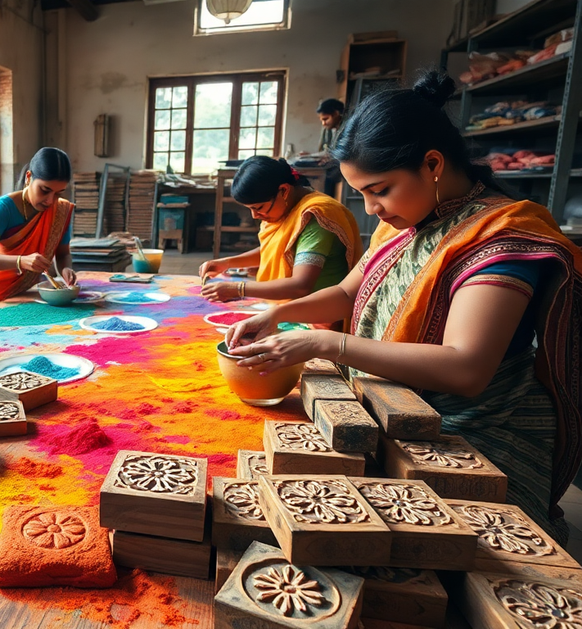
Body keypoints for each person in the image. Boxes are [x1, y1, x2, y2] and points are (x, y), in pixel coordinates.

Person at [225, 71, 582, 539]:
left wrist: (327, 343)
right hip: (394, 402)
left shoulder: (498, 239)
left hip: (471, 432)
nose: (371, 208)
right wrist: (275, 313)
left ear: (432, 163)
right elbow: (349, 291)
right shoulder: (403, 222)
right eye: (362, 195)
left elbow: (465, 368)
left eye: (379, 189)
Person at [198, 156, 363, 303]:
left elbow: (300, 285)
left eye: (259, 207)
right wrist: (226, 263)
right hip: (289, 308)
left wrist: (238, 289)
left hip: (317, 319)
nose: (255, 216)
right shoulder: (287, 208)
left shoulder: (315, 216)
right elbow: (279, 249)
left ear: (284, 190)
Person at [0, 147, 77, 313]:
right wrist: (20, 261)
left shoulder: (60, 211)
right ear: (28, 177)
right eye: (45, 190)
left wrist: (65, 270)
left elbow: (63, 254)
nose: (50, 201)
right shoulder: (2, 208)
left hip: (25, 296)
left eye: (58, 194)